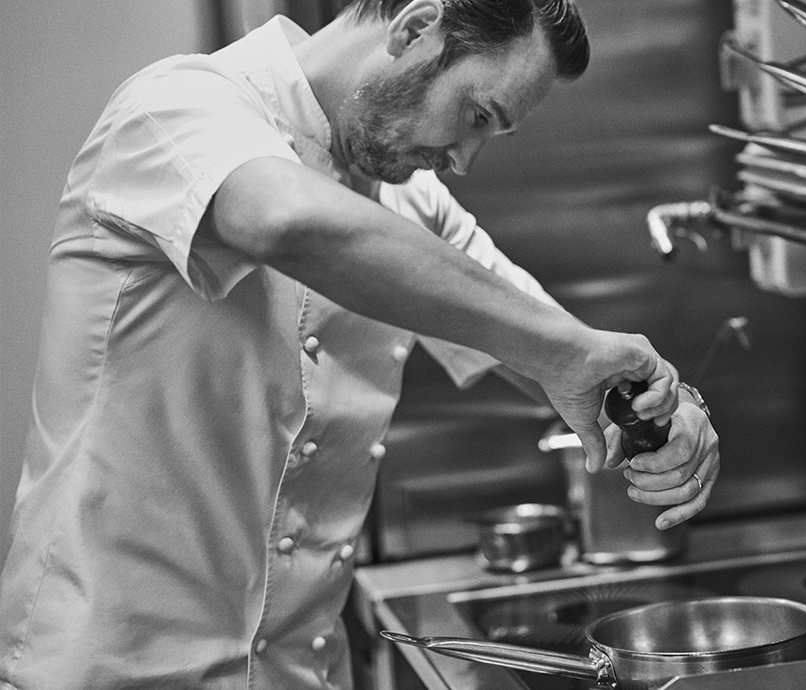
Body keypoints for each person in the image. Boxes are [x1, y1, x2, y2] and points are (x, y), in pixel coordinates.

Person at [0, 1, 719, 688]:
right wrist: (566, 353)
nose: (463, 161)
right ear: (416, 28)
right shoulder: (178, 105)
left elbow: (558, 347)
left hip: (298, 669)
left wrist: (666, 404)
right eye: (474, 116)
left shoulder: (410, 200)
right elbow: (283, 220)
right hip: (114, 663)